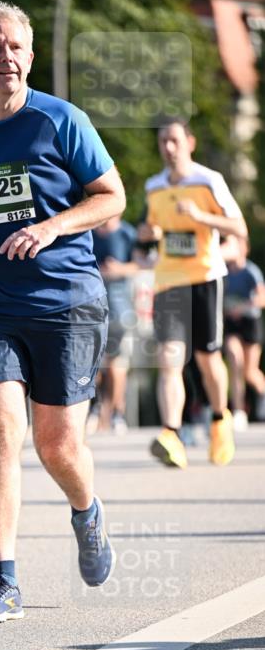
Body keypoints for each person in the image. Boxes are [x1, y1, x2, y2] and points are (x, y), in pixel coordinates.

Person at [0, 2, 125, 623]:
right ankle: (4, 580)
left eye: (16, 47)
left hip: (65, 302)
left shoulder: (61, 121)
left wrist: (51, 227)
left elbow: (111, 198)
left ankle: (86, 510)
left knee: (57, 444)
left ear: (29, 57)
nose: (6, 56)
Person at [140, 120, 248, 468]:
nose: (168, 148)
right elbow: (153, 231)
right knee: (170, 358)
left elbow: (238, 227)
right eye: (162, 141)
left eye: (173, 140)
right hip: (169, 281)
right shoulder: (153, 186)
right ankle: (171, 434)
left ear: (190, 142)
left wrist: (201, 216)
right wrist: (148, 232)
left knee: (206, 359)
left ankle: (220, 420)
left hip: (205, 277)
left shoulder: (209, 180)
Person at [88, 215, 140, 434]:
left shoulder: (127, 233)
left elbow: (141, 264)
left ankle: (118, 413)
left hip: (120, 308)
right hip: (90, 307)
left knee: (117, 364)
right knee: (93, 364)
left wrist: (119, 269)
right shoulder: (88, 230)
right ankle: (96, 409)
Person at [223, 235, 265, 428]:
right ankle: (238, 411)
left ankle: (262, 395)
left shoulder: (251, 271)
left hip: (250, 322)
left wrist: (241, 308)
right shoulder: (223, 272)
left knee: (249, 371)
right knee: (234, 360)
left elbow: (261, 299)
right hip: (231, 324)